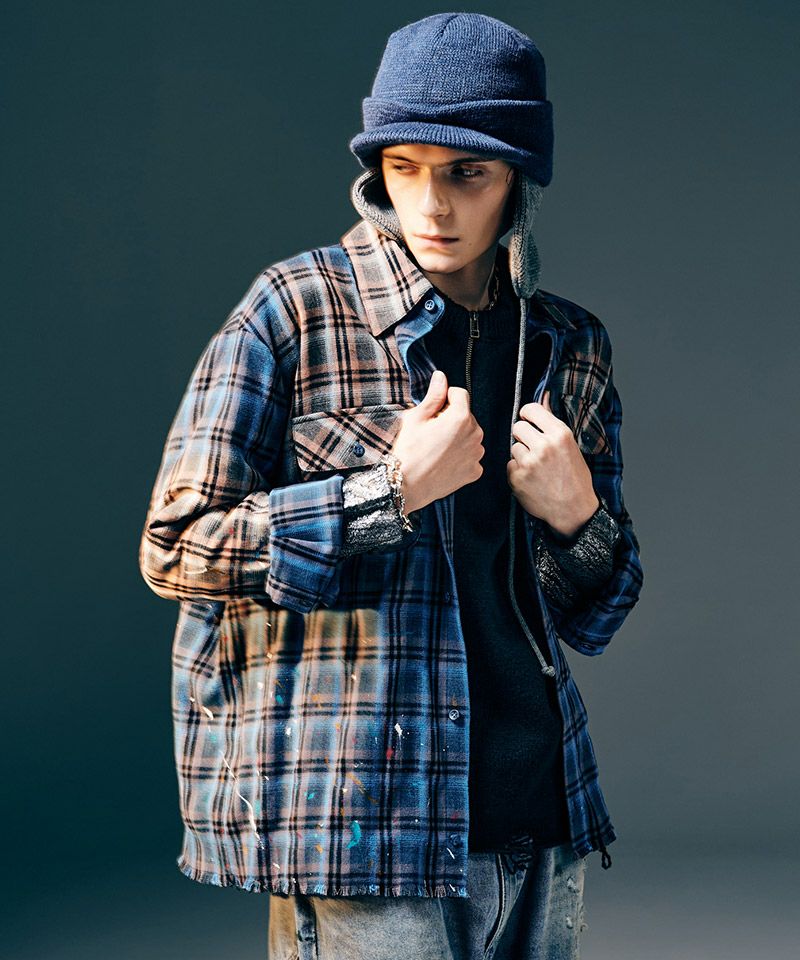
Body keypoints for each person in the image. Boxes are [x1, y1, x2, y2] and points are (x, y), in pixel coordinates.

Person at [138, 12, 644, 959]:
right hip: (365, 828)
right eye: (404, 168)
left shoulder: (569, 344)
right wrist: (385, 493)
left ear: (519, 180)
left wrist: (579, 519)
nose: (432, 205)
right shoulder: (295, 311)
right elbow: (175, 549)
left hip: (541, 816)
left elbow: (599, 613)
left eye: (467, 173)